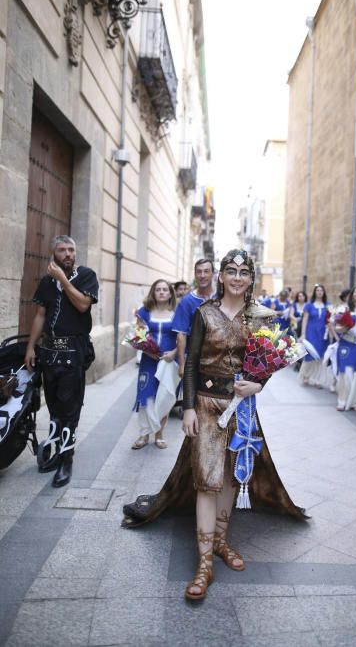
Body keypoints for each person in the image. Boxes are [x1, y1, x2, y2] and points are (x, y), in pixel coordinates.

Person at [121, 249, 307, 600]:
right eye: (231, 271)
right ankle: (204, 562)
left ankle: (221, 540)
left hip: (242, 408)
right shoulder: (204, 313)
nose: (237, 277)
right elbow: (190, 363)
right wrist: (188, 408)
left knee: (231, 476)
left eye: (244, 272)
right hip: (206, 406)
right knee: (206, 479)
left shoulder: (262, 316)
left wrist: (259, 384)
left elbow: (266, 362)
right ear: (220, 276)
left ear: (251, 278)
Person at [24, 235, 98, 487]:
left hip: (74, 353)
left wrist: (63, 280)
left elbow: (82, 305)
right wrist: (31, 347)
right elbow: (40, 315)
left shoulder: (86, 276)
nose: (67, 254)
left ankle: (67, 461)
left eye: (71, 250)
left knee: (70, 410)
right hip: (49, 353)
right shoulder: (46, 283)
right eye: (62, 250)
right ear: (54, 254)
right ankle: (56, 452)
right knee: (55, 408)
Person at [131, 280, 178, 450]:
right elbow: (138, 335)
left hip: (169, 362)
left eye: (165, 290)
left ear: (170, 293)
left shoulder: (177, 312)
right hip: (148, 361)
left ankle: (159, 434)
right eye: (158, 289)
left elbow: (183, 337)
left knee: (163, 397)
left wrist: (173, 353)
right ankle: (144, 434)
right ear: (153, 292)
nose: (162, 292)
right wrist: (145, 349)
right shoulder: (144, 311)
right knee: (146, 395)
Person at [173, 258, 215, 379]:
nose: (202, 275)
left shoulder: (222, 298)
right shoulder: (187, 301)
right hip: (194, 359)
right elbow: (181, 334)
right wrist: (182, 364)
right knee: (192, 396)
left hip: (218, 360)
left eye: (206, 271)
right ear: (195, 274)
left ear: (212, 273)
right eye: (199, 272)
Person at [299, 284, 329, 387]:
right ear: (315, 292)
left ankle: (318, 379)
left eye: (321, 290)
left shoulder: (327, 305)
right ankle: (306, 376)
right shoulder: (309, 305)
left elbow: (329, 320)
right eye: (318, 290)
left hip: (323, 334)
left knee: (320, 356)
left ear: (324, 292)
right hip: (311, 332)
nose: (320, 292)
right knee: (310, 355)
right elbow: (305, 320)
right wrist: (303, 334)